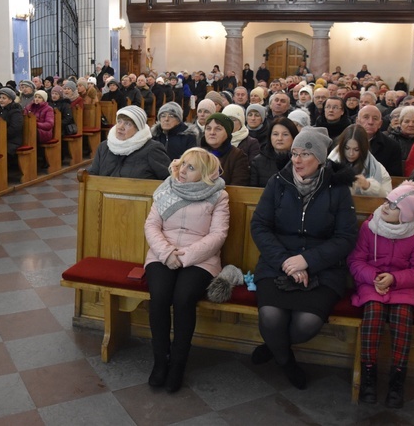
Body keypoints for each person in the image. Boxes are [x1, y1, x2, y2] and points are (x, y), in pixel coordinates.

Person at [250, 126, 357, 390]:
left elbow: (345, 237)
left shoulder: (338, 189)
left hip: (323, 267)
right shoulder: (278, 182)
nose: (296, 160)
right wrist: (286, 261)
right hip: (278, 262)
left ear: (320, 159)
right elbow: (260, 226)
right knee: (271, 317)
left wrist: (307, 261)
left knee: (306, 324)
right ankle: (286, 361)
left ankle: (275, 345)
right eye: (294, 153)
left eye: (304, 154)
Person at [348, 181, 414, 408]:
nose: (386, 207)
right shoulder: (369, 227)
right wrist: (374, 277)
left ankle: (397, 381)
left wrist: (395, 279)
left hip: (402, 289)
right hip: (371, 285)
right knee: (374, 314)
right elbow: (355, 260)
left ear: (406, 215)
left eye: (394, 206)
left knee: (402, 320)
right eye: (387, 201)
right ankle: (369, 377)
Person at [144, 148, 230, 393]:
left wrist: (186, 257)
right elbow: (152, 225)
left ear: (203, 173)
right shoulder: (167, 188)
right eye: (182, 164)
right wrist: (166, 253)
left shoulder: (218, 195)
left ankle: (178, 365)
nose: (182, 170)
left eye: (190, 167)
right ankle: (161, 361)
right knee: (159, 297)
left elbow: (218, 235)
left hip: (200, 258)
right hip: (163, 254)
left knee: (183, 299)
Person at [88, 105, 170, 179]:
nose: (120, 127)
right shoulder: (104, 147)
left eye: (127, 124)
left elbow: (168, 180)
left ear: (138, 129)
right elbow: (93, 175)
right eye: (119, 121)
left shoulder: (152, 149)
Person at [328, 125, 391, 197]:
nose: (351, 153)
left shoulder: (378, 169)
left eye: (356, 149)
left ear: (363, 149)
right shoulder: (330, 164)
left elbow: (388, 197)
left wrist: (369, 186)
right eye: (347, 148)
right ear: (341, 147)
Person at [200, 113, 250, 186]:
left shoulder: (237, 156)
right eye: (208, 128)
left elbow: (237, 188)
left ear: (227, 133)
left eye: (218, 129)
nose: (212, 132)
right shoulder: (197, 154)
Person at [249, 116, 299, 188]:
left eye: (285, 134)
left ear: (293, 137)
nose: (279, 138)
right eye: (275, 134)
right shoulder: (258, 161)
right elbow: (252, 190)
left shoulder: (299, 160)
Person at [0, 87, 24, 156]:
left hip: (11, 140)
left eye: (4, 98)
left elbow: (15, 128)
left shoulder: (15, 111)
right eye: (0, 98)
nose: (1, 100)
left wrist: (1, 136)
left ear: (10, 100)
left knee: (1, 149)